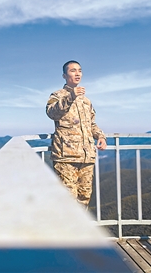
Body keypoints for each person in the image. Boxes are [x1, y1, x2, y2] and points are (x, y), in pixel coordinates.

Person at [46, 60, 107, 208]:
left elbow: (91, 124)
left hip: (86, 157)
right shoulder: (57, 95)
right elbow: (52, 113)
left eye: (79, 70)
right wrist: (70, 96)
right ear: (64, 75)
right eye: (73, 70)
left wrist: (101, 136)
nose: (77, 73)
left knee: (83, 198)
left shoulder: (86, 101)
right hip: (66, 156)